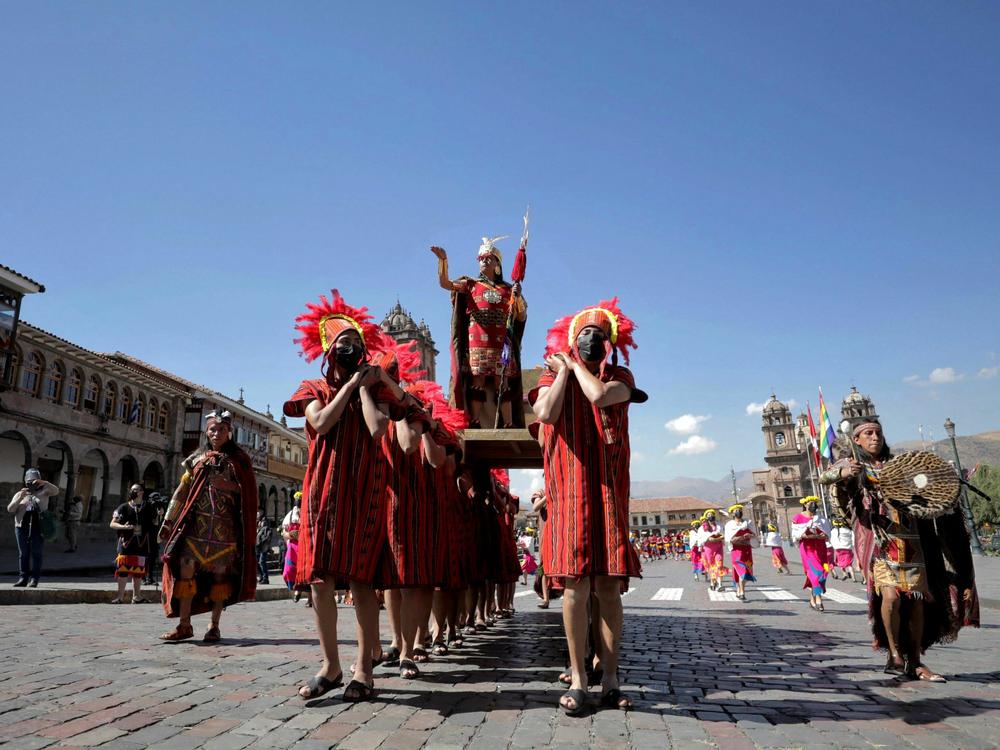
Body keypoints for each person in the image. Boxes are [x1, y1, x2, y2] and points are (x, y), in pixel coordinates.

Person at [284, 290, 416, 703]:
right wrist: (346, 388)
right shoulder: (312, 388)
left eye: (357, 345)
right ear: (329, 350)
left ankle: (364, 670)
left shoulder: (371, 391)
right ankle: (331, 666)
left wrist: (363, 386)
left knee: (361, 582)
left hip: (364, 493)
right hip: (323, 494)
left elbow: (378, 429)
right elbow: (321, 423)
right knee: (320, 582)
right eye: (345, 345)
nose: (352, 350)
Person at [530, 297, 645, 716]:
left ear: (610, 342)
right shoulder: (550, 376)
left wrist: (573, 366)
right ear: (570, 339)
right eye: (583, 334)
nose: (591, 339)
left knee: (610, 588)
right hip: (569, 494)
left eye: (599, 334)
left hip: (609, 494)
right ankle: (579, 677)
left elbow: (598, 396)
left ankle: (611, 679)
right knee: (575, 588)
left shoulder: (621, 376)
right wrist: (560, 373)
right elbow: (544, 411)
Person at [821, 420, 979, 680]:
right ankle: (894, 653)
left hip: (913, 542)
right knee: (891, 597)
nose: (875, 438)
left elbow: (927, 487)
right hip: (882, 544)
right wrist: (846, 473)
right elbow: (826, 477)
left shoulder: (900, 465)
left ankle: (915, 661)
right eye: (868, 434)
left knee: (916, 601)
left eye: (878, 433)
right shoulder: (855, 466)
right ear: (857, 440)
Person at [158, 410, 258, 642]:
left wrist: (228, 485)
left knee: (219, 581)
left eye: (222, 429)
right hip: (194, 530)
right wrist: (168, 521)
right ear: (207, 432)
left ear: (229, 433)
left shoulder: (239, 461)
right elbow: (182, 492)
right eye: (213, 429)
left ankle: (214, 626)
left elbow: (249, 495)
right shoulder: (195, 460)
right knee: (185, 575)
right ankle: (184, 625)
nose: (217, 433)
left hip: (225, 533)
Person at [431, 238, 527, 428]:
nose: (483, 261)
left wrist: (518, 298)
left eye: (487, 258)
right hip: (476, 342)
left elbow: (521, 316)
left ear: (497, 265)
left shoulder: (508, 289)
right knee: (477, 381)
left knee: (503, 382)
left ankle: (508, 423)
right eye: (481, 258)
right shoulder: (469, 284)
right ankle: (474, 421)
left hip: (502, 344)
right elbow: (445, 283)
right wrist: (443, 260)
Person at [7, 469, 59, 588]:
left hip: (38, 526)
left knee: (36, 553)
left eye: (34, 481)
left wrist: (44, 482)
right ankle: (23, 578)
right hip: (21, 526)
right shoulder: (20, 494)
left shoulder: (45, 491)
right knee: (23, 553)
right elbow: (10, 509)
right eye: (29, 481)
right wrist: (20, 497)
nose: (31, 483)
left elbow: (55, 491)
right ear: (25, 482)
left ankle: (34, 579)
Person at [109, 484, 156, 604]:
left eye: (135, 490)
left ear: (141, 492)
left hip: (142, 542)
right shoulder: (123, 507)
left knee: (138, 571)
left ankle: (137, 596)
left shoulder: (149, 507)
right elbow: (112, 524)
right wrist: (123, 526)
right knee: (123, 570)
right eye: (132, 490)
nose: (133, 492)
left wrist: (159, 514)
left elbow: (154, 522)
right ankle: (120, 597)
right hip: (126, 543)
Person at [791, 496, 832, 611]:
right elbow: (797, 535)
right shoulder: (798, 518)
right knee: (815, 572)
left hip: (821, 549)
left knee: (824, 571)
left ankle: (812, 599)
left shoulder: (821, 518)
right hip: (808, 550)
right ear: (805, 504)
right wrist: (810, 535)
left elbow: (827, 534)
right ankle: (819, 599)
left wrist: (823, 535)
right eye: (810, 503)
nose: (813, 505)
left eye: (815, 503)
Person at [724, 503, 756, 601]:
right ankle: (742, 592)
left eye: (740, 510)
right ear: (733, 513)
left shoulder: (748, 522)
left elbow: (754, 534)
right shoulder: (729, 525)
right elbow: (730, 539)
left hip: (747, 550)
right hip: (737, 551)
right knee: (742, 571)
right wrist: (742, 537)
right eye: (736, 510)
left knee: (747, 572)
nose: (739, 512)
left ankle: (739, 589)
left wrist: (749, 535)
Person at [697, 509, 728, 591]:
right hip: (708, 549)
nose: (711, 516)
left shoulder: (719, 525)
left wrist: (720, 537)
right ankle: (712, 581)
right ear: (706, 517)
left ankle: (720, 584)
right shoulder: (702, 528)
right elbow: (704, 539)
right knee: (712, 565)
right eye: (709, 515)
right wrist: (712, 538)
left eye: (712, 514)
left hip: (718, 547)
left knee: (719, 563)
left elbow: (724, 535)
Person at [829, 516, 857, 582]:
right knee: (849, 564)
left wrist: (834, 546)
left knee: (840, 562)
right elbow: (853, 539)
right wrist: (852, 545)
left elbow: (832, 540)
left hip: (838, 549)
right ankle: (854, 578)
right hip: (848, 549)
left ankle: (844, 574)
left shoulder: (833, 531)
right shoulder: (849, 531)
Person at [256, 510, 274, 585]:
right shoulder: (259, 522)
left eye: (258, 512)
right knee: (258, 562)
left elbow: (267, 536)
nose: (257, 514)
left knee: (262, 562)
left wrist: (261, 542)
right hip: (259, 547)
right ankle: (262, 577)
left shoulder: (265, 522)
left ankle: (265, 578)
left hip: (263, 547)